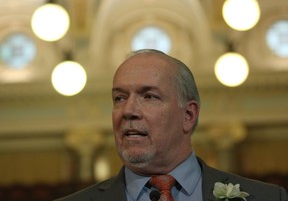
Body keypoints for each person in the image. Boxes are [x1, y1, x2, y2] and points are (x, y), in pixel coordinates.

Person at [56, 49, 288, 201]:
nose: (128, 111)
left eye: (149, 96)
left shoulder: (267, 198)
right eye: (119, 98)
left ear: (188, 115)